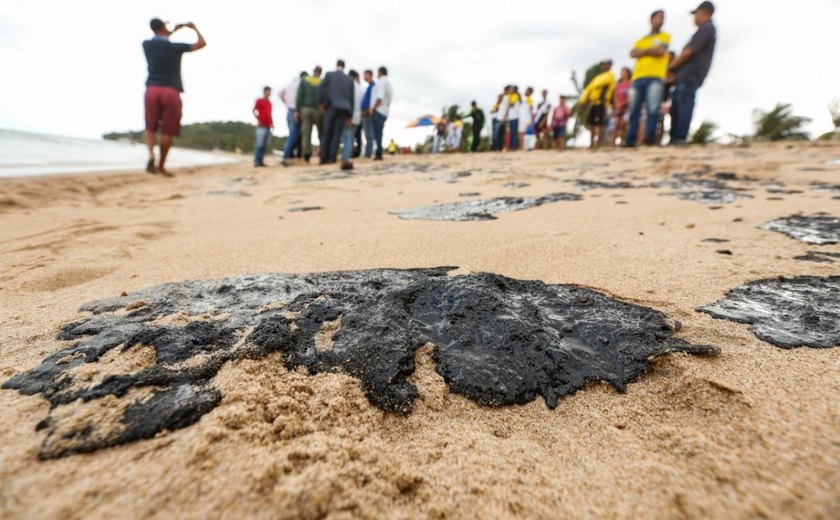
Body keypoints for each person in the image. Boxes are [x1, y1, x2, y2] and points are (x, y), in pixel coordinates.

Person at [142, 18, 206, 176]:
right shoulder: (175, 47)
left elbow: (161, 39)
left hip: (152, 89)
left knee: (150, 127)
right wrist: (194, 28)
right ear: (163, 27)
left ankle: (151, 155)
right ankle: (161, 166)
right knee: (168, 131)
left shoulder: (147, 45)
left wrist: (171, 31)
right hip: (171, 91)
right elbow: (201, 43)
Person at [669, 1, 717, 144]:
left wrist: (671, 67)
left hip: (691, 75)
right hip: (685, 75)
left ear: (703, 12)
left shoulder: (707, 28)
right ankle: (675, 138)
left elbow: (688, 52)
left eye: (695, 14)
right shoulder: (704, 29)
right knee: (676, 107)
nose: (694, 18)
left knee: (684, 105)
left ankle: (679, 138)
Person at [623, 10, 670, 147]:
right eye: (658, 17)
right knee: (634, 110)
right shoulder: (641, 39)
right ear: (651, 19)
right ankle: (630, 139)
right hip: (638, 77)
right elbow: (632, 53)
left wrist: (642, 52)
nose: (661, 20)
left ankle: (649, 139)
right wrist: (651, 50)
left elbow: (660, 51)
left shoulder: (665, 36)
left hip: (655, 77)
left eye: (663, 18)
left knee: (653, 109)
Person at [317, 60, 355, 165]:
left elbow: (321, 88)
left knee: (327, 132)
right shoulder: (349, 79)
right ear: (344, 66)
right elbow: (352, 98)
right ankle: (332, 157)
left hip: (331, 106)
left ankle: (323, 158)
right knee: (337, 134)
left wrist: (321, 103)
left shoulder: (329, 75)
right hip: (344, 109)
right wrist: (350, 114)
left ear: (336, 65)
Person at [579, 60, 616, 148]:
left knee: (601, 123)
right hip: (593, 103)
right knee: (592, 123)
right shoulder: (597, 77)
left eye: (605, 65)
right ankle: (592, 144)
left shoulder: (611, 75)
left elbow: (597, 85)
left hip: (603, 103)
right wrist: (583, 101)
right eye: (602, 65)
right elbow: (588, 89)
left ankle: (600, 143)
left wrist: (594, 86)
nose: (603, 67)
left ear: (610, 66)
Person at [294, 65, 323, 164]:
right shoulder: (322, 82)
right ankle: (322, 151)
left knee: (306, 133)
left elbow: (299, 96)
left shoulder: (305, 80)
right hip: (319, 110)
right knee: (321, 133)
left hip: (305, 109)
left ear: (313, 71)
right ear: (320, 72)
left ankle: (306, 154)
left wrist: (298, 110)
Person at [340, 69, 364, 170]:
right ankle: (347, 156)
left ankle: (346, 157)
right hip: (357, 115)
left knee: (347, 137)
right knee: (351, 136)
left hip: (349, 114)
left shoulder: (350, 85)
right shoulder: (359, 87)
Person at [368, 66, 393, 161]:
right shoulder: (388, 83)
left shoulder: (382, 82)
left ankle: (378, 153)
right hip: (385, 111)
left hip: (379, 110)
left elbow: (379, 97)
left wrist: (373, 108)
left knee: (377, 134)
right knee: (379, 133)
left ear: (380, 72)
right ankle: (379, 152)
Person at [280, 72, 305, 165]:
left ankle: (289, 155)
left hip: (289, 111)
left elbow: (279, 93)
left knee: (292, 134)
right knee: (294, 135)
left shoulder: (289, 84)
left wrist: (286, 102)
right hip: (296, 111)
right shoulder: (301, 84)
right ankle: (286, 156)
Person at [253, 86, 273, 167]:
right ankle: (257, 161)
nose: (269, 93)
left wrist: (272, 123)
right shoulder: (259, 100)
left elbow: (270, 115)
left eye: (270, 92)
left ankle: (261, 161)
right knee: (260, 144)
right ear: (264, 92)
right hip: (261, 126)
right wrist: (258, 119)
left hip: (268, 126)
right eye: (267, 91)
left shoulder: (270, 103)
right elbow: (254, 110)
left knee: (264, 145)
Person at [611, 67, 632, 145]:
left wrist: (623, 103)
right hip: (618, 108)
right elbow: (615, 96)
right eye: (621, 72)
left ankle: (622, 142)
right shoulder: (618, 84)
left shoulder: (631, 83)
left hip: (627, 108)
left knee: (624, 124)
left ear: (628, 73)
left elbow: (630, 96)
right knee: (615, 124)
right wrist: (617, 105)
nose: (622, 73)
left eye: (623, 72)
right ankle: (612, 143)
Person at [361, 70, 376, 158]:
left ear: (369, 75)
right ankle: (368, 152)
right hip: (365, 113)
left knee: (369, 134)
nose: (364, 76)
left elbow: (372, 100)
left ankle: (368, 153)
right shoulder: (369, 86)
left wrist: (367, 111)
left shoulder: (373, 86)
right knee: (367, 134)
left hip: (368, 113)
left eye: (365, 75)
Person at [503, 86, 521, 151]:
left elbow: (511, 104)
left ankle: (514, 147)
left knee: (514, 133)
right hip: (511, 117)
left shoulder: (515, 95)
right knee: (511, 133)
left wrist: (509, 98)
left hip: (515, 117)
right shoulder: (510, 96)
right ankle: (511, 147)